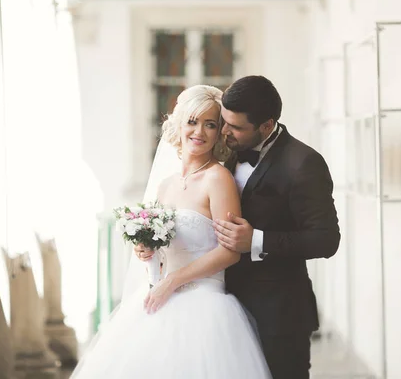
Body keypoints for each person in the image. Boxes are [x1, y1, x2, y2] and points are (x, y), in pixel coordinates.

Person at [139, 75, 340, 379]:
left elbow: (326, 240)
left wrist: (258, 240)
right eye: (222, 122)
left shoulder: (303, 163)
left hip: (278, 312)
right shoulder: (226, 154)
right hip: (221, 303)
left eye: (233, 127)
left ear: (266, 126)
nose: (223, 132)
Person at [71, 85, 271, 378]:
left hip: (205, 303)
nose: (199, 131)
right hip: (160, 297)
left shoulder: (219, 179)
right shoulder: (165, 185)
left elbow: (229, 251)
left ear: (218, 133)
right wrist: (148, 251)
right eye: (192, 121)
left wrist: (174, 281)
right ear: (179, 124)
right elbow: (164, 248)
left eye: (210, 124)